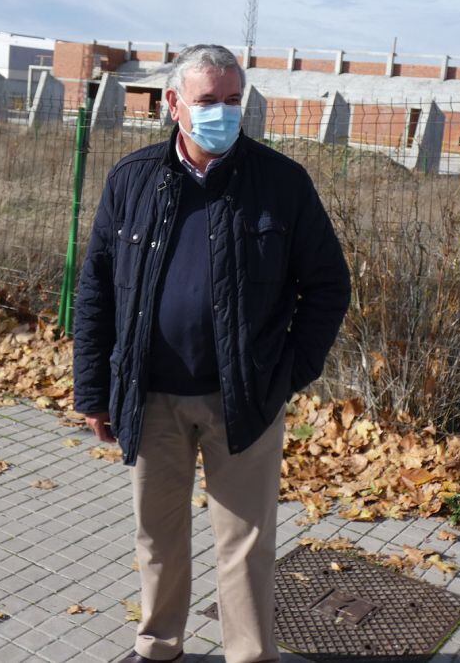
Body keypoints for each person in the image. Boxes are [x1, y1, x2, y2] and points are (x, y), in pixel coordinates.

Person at [74, 44, 351, 663]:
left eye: (233, 101)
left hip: (244, 398)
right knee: (158, 535)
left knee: (246, 541)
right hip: (151, 395)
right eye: (207, 101)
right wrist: (93, 389)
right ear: (173, 105)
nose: (222, 114)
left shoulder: (281, 183)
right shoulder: (134, 179)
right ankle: (158, 645)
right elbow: (96, 288)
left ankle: (249, 654)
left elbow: (328, 285)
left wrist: (289, 372)